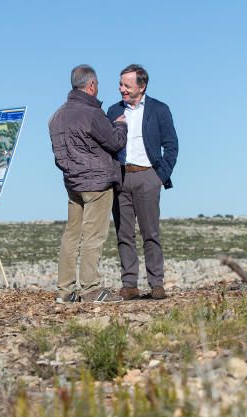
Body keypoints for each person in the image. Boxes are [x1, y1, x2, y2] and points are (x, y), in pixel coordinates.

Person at [49, 65, 127, 303]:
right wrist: (121, 125)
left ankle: (64, 291)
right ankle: (91, 289)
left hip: (73, 183)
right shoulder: (91, 113)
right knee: (94, 236)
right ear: (91, 85)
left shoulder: (56, 116)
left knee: (71, 235)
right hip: (97, 183)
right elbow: (115, 142)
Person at [107, 64, 178, 300]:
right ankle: (129, 284)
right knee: (124, 234)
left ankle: (156, 283)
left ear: (142, 85)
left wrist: (160, 177)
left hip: (148, 176)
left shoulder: (159, 109)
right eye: (120, 84)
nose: (122, 89)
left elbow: (171, 145)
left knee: (150, 232)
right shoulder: (112, 111)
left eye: (127, 85)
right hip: (121, 177)